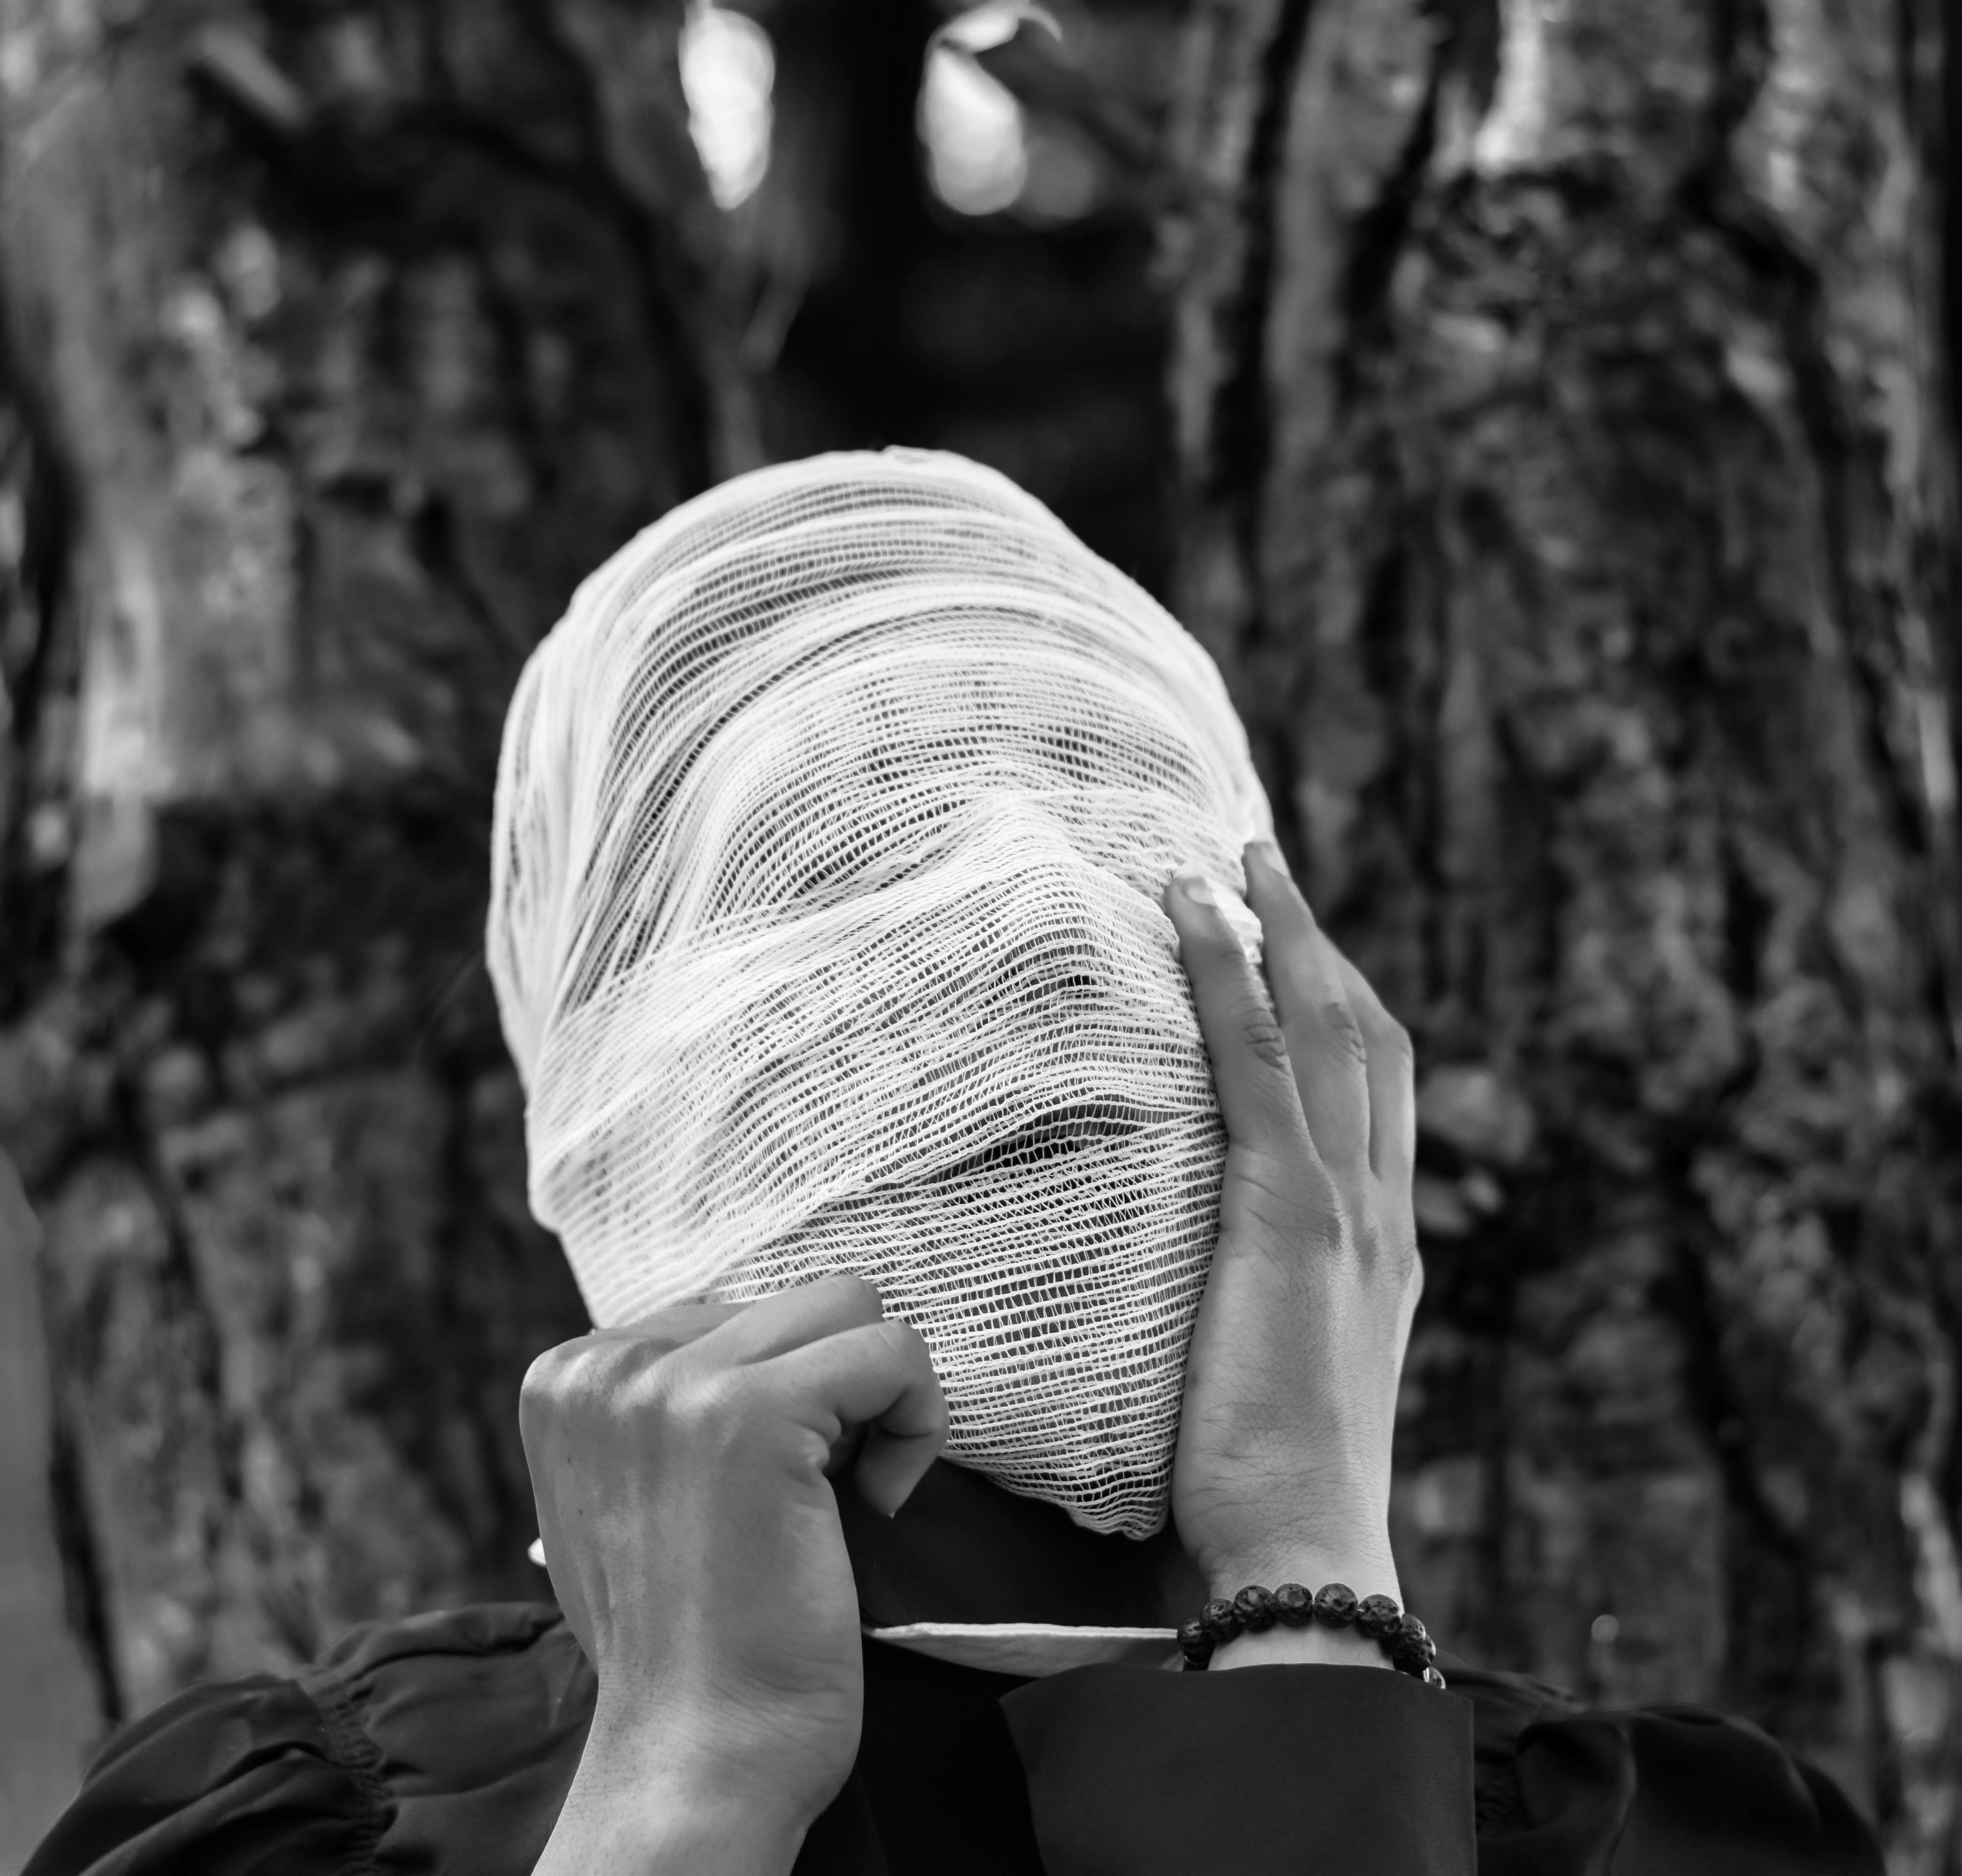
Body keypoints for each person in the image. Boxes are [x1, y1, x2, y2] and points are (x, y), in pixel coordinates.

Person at [25, 453, 1882, 1876]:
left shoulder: (1669, 1849)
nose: (1043, 926)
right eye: (853, 861)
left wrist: (1309, 1588)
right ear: (604, 1080)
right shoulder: (281, 1840)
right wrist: (678, 1795)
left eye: (1110, 825)